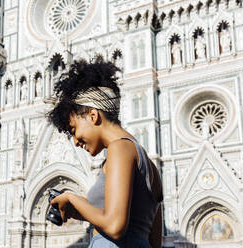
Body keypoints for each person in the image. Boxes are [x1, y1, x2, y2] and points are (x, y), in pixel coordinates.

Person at [47, 59, 163, 247]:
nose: (75, 142)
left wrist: (72, 197)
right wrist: (77, 211)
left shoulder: (119, 148)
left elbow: (115, 226)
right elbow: (153, 241)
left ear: (93, 115)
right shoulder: (149, 166)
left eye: (74, 129)